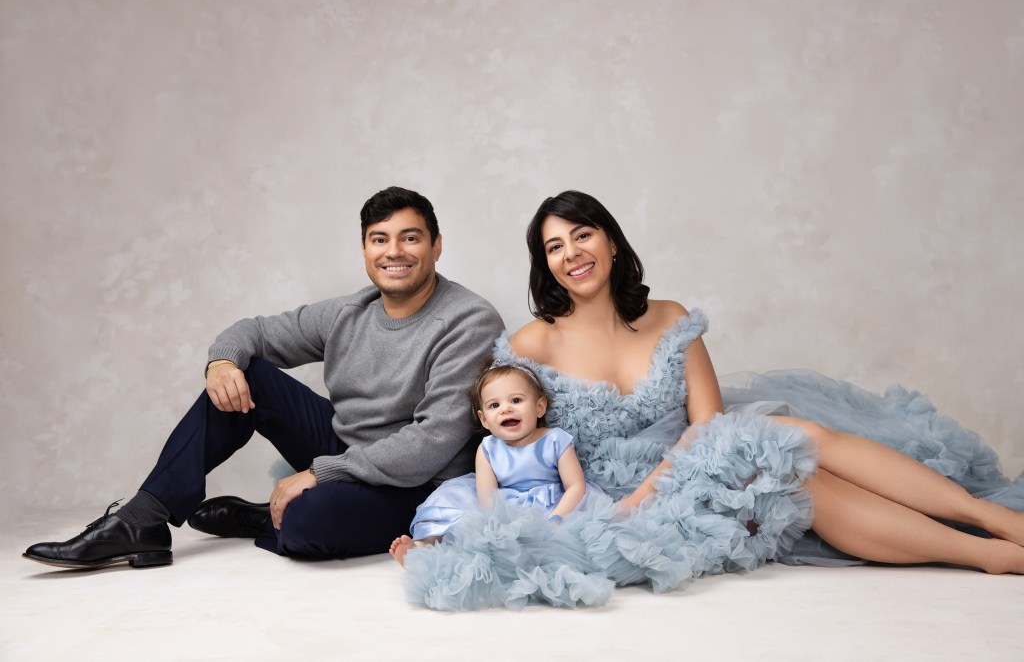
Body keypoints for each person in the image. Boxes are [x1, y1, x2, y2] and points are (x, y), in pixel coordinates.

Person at [402, 190, 1024, 610]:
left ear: (611, 242)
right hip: (616, 503)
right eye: (554, 247)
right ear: (545, 265)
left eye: (582, 235)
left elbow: (708, 423)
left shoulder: (669, 319)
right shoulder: (534, 343)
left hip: (691, 462)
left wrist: (669, 477)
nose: (572, 255)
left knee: (790, 444)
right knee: (795, 484)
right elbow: (509, 430)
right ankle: (986, 554)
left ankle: (990, 520)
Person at [23, 186, 505, 569]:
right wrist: (221, 363)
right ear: (364, 249)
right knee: (246, 373)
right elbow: (251, 332)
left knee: (307, 527)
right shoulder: (349, 312)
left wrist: (319, 473)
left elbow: (432, 442)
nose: (393, 252)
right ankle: (142, 521)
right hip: (346, 450)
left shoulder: (468, 320)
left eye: (410, 237)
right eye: (380, 239)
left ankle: (270, 514)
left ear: (436, 246)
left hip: (418, 483)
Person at [389, 361, 605, 565]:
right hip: (502, 507)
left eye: (516, 400)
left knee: (584, 534)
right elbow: (487, 496)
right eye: (494, 405)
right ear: (484, 420)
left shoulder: (555, 440)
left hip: (553, 506)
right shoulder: (488, 448)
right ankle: (422, 548)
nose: (506, 409)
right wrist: (498, 526)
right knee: (450, 504)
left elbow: (576, 486)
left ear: (539, 407)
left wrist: (557, 517)